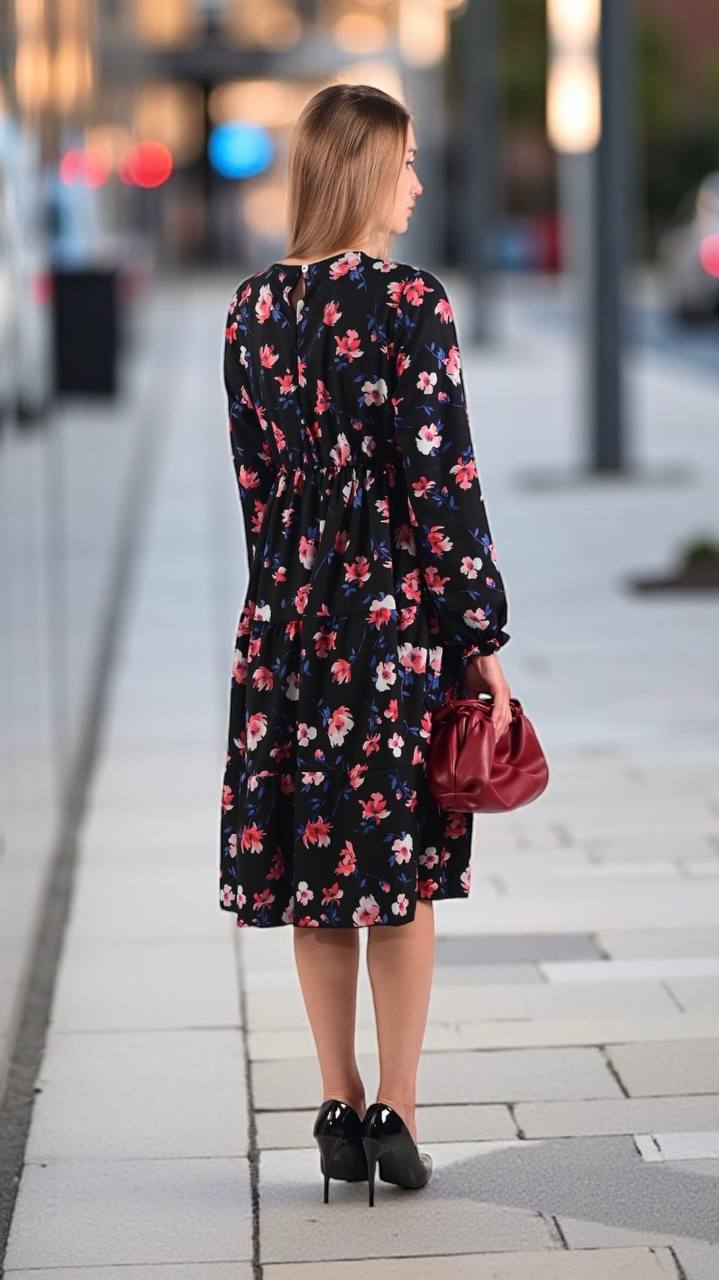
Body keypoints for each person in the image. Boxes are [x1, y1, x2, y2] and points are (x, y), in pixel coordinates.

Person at [219, 83, 511, 1205]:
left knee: (316, 874)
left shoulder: (249, 311)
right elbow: (443, 483)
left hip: (287, 623)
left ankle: (335, 1106)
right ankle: (396, 1107)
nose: (419, 185)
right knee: (400, 875)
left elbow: (256, 488)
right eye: (408, 162)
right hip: (388, 624)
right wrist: (476, 631)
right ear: (366, 171)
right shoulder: (407, 302)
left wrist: (281, 598)